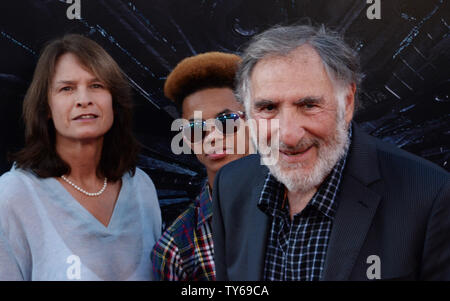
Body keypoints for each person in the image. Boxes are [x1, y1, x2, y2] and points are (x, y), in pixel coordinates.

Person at [212, 24, 450, 281]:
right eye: (268, 108)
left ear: (346, 103)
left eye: (309, 105)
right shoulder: (230, 186)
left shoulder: (430, 196)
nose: (289, 135)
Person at [0, 34, 161, 280]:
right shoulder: (12, 195)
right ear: (46, 108)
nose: (84, 100)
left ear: (113, 101)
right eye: (67, 88)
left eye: (96, 86)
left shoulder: (142, 186)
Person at [151, 52, 251, 280]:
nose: (212, 137)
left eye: (226, 121)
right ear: (186, 139)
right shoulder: (176, 248)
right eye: (196, 129)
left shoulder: (305, 204)